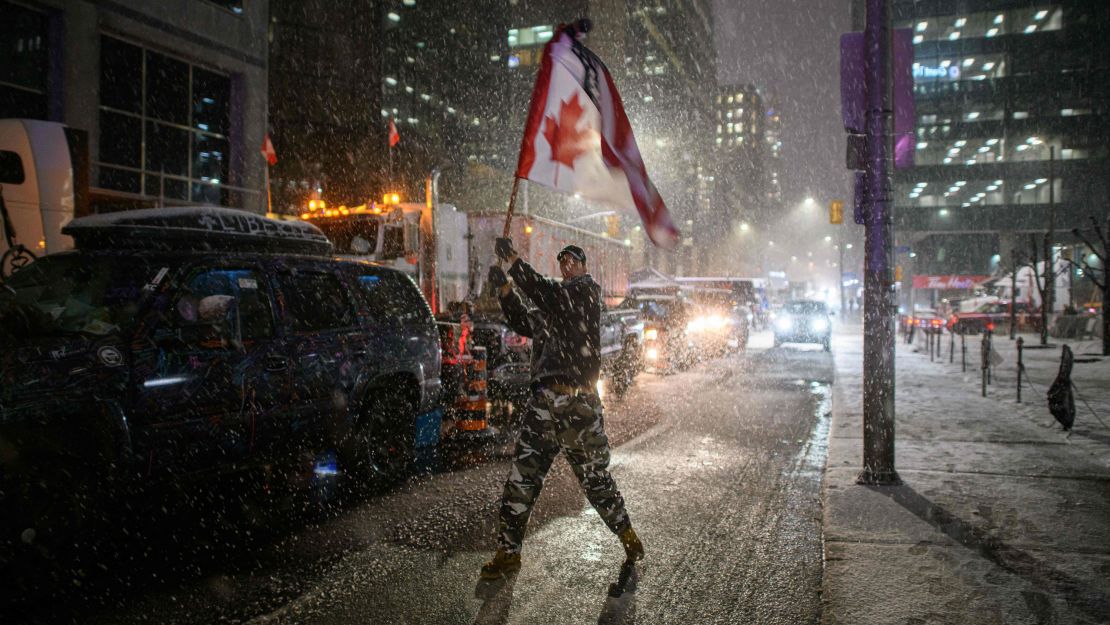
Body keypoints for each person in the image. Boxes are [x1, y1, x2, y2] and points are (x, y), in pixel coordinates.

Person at [479, 238, 644, 581]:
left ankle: (627, 535)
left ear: (583, 267)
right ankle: (508, 554)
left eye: (572, 261)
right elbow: (525, 321)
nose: (566, 266)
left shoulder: (586, 294)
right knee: (521, 479)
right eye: (562, 261)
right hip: (544, 405)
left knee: (595, 479)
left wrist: (513, 262)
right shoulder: (555, 304)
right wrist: (506, 291)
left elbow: (546, 294)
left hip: (578, 406)